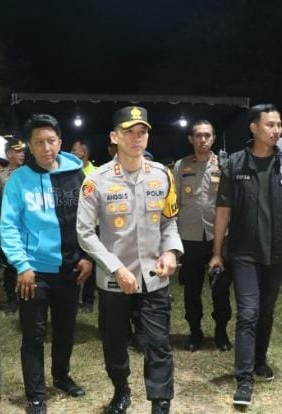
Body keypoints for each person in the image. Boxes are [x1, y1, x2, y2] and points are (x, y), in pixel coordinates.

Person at [77, 106, 183, 414]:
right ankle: (121, 390)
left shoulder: (162, 175)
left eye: (142, 132)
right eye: (129, 132)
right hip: (114, 280)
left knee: (158, 342)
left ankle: (160, 403)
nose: (137, 138)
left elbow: (169, 222)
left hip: (154, 277)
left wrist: (170, 252)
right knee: (114, 342)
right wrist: (115, 267)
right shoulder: (96, 180)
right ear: (115, 137)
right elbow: (85, 233)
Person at [208, 104, 282, 407]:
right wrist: (217, 253)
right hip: (243, 252)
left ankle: (259, 360)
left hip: (277, 253)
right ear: (254, 127)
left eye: (279, 125)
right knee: (248, 313)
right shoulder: (235, 164)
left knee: (265, 311)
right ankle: (244, 380)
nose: (276, 130)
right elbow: (223, 210)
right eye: (270, 124)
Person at [0, 114, 93, 414]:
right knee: (34, 335)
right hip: (34, 271)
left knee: (66, 330)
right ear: (30, 145)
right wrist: (22, 265)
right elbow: (8, 226)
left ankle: (62, 377)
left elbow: (89, 220)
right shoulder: (18, 180)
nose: (46, 147)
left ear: (60, 142)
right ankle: (36, 395)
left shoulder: (77, 174)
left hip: (71, 268)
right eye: (39, 142)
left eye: (51, 141)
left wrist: (87, 256)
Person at [173, 120, 231, 352]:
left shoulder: (224, 165)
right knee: (191, 290)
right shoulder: (181, 166)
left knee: (221, 290)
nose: (203, 140)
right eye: (198, 135)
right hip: (189, 237)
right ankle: (195, 332)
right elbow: (175, 203)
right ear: (191, 139)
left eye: (207, 135)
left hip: (219, 237)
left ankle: (221, 333)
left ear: (213, 138)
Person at [0, 137, 26, 313]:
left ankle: (26, 296)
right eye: (18, 151)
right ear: (9, 154)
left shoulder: (29, 173)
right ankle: (12, 299)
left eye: (23, 151)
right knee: (11, 264)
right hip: (8, 228)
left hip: (27, 227)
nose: (22, 154)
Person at [71, 139, 98, 312]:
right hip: (73, 225)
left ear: (84, 152)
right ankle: (72, 298)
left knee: (91, 261)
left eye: (75, 150)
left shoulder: (95, 173)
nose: (72, 153)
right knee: (74, 261)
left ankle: (88, 300)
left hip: (93, 225)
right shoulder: (69, 171)